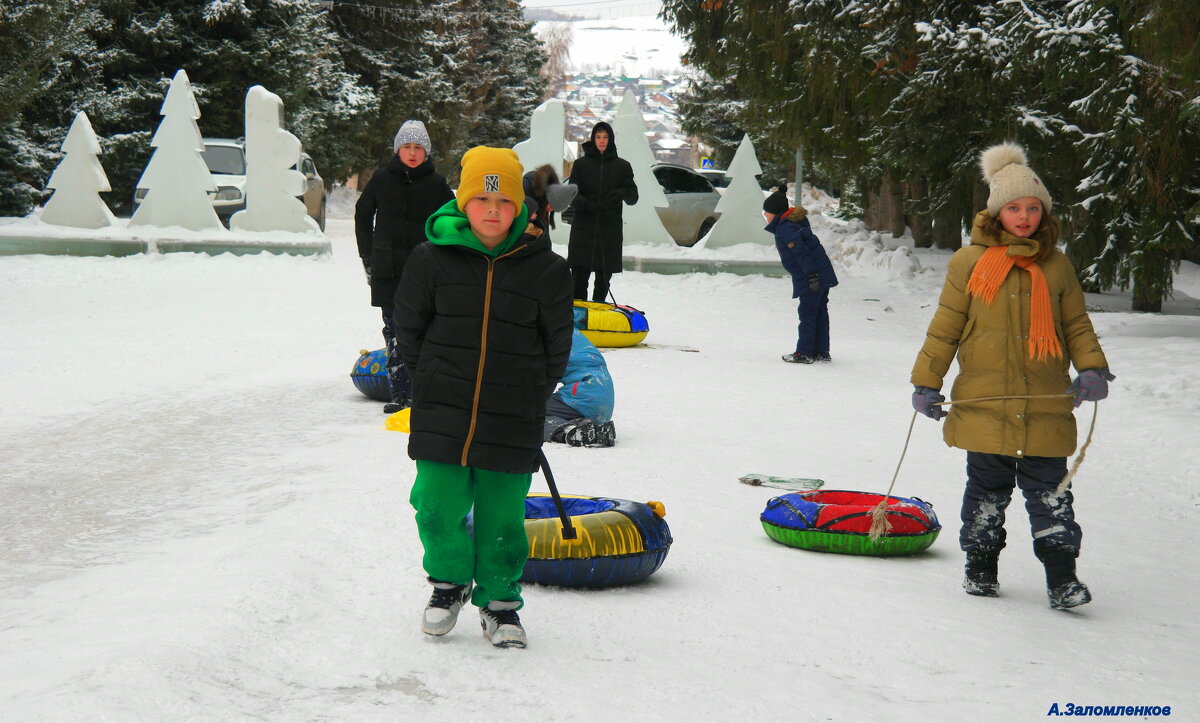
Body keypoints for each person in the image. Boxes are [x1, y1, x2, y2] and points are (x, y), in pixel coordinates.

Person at [909, 142, 1114, 609]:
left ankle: (1062, 579)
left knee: (1052, 496)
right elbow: (946, 328)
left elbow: (1076, 324)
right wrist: (927, 382)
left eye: (1033, 208)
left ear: (1044, 213)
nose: (1024, 216)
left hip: (1046, 404)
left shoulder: (1057, 266)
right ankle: (980, 567)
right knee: (986, 492)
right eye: (1014, 208)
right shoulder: (969, 264)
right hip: (985, 403)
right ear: (996, 213)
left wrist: (1091, 367)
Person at [393, 146, 573, 648]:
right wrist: (429, 381)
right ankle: (449, 584)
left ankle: (499, 601)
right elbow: (409, 330)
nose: (492, 210)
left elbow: (558, 345)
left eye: (504, 201)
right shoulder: (430, 260)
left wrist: (532, 394)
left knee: (503, 517)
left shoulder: (548, 270)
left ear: (521, 207)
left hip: (511, 413)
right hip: (442, 410)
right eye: (481, 199)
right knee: (434, 505)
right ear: (463, 203)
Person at [355, 120, 454, 414]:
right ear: (398, 150)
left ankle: (423, 390)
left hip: (424, 269)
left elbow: (451, 217)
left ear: (426, 152)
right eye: (407, 147)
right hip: (387, 268)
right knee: (395, 328)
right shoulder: (382, 178)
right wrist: (369, 256)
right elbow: (363, 214)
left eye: (418, 147)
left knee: (423, 326)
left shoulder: (436, 184)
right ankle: (400, 392)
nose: (412, 153)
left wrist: (445, 253)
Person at [763, 182, 838, 364]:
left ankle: (804, 353)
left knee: (807, 313)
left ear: (775, 212)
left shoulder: (785, 228)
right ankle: (820, 351)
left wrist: (811, 276)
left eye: (767, 212)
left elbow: (802, 253)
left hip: (811, 276)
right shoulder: (791, 224)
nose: (765, 215)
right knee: (819, 311)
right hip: (819, 273)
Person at [566, 121, 638, 302]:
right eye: (598, 137)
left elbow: (633, 197)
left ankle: (599, 317)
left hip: (609, 230)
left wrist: (619, 193)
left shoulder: (623, 166)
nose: (601, 141)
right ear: (593, 138)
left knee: (603, 281)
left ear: (611, 139)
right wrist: (588, 205)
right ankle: (579, 319)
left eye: (605, 137)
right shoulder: (581, 164)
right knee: (579, 280)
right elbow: (571, 194)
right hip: (583, 229)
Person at [544, 329, 616, 447]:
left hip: (583, 396)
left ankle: (571, 432)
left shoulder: (545, 334)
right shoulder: (568, 329)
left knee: (529, 414)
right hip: (603, 400)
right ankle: (588, 427)